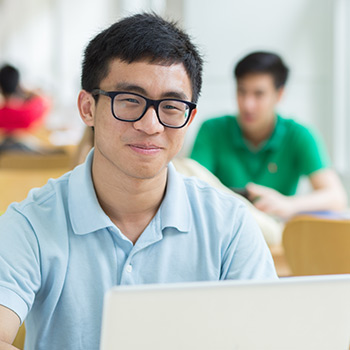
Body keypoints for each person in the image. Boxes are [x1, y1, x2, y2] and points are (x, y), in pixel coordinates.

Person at [0, 14, 277, 350]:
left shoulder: (229, 223)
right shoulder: (29, 223)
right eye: (131, 101)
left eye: (171, 106)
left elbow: (264, 338)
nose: (151, 124)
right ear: (88, 108)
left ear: (189, 117)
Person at [191, 51, 347, 219]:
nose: (247, 104)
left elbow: (337, 198)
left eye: (259, 94)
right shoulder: (212, 130)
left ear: (279, 95)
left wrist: (287, 204)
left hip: (275, 234)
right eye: (241, 91)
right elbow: (192, 185)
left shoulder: (299, 135)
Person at [0, 64, 51, 153]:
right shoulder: (30, 114)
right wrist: (28, 90)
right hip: (35, 162)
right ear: (18, 85)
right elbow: (46, 100)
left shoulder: (2, 115)